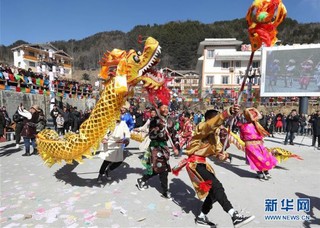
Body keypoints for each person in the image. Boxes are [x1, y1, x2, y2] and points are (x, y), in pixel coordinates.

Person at [172, 104, 255, 228]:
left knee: (213, 193)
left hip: (202, 164)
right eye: (217, 121)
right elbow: (211, 124)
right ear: (210, 120)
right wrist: (227, 113)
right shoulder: (202, 128)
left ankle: (201, 217)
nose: (219, 124)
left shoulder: (214, 136)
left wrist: (223, 156)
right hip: (195, 164)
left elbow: (217, 153)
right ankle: (234, 216)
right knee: (217, 187)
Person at [136, 102, 179, 199]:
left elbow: (174, 135)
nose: (166, 109)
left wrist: (176, 146)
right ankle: (165, 191)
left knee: (161, 169)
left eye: (167, 108)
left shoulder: (170, 121)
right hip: (155, 147)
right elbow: (151, 135)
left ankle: (142, 179)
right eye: (164, 107)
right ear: (159, 109)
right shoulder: (154, 121)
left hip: (164, 148)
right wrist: (159, 129)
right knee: (161, 169)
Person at [238, 108, 278, 181]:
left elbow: (242, 137)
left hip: (256, 144)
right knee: (259, 158)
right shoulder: (254, 125)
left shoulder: (252, 125)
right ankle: (261, 173)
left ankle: (264, 172)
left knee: (261, 158)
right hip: (253, 145)